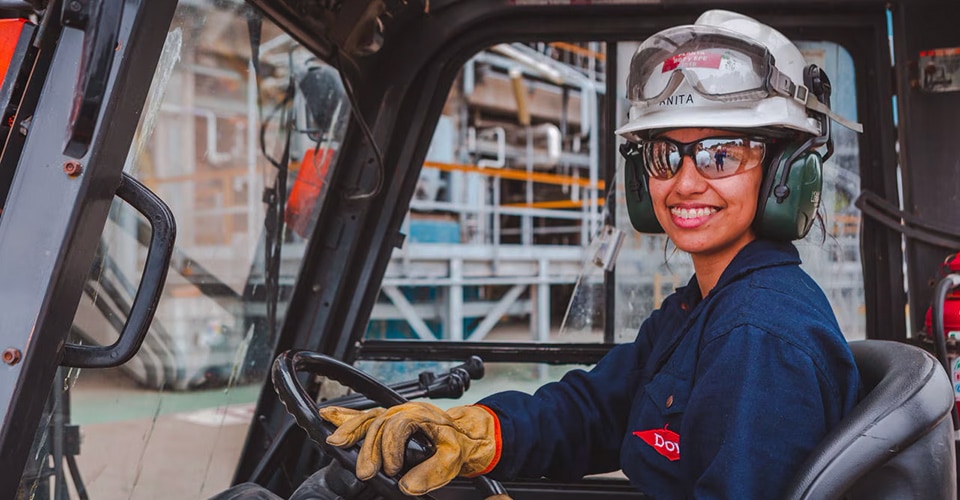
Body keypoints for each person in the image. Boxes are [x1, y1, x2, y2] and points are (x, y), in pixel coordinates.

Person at [319, 10, 862, 499]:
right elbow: (596, 412)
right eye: (664, 154)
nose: (685, 183)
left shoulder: (759, 334)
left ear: (785, 175)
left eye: (721, 155)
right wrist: (478, 430)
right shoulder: (700, 311)